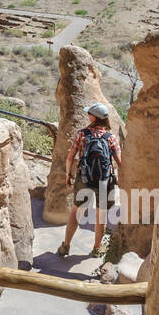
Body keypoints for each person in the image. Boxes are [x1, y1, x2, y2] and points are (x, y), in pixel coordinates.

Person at [56, 102, 123, 259]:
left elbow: (70, 157)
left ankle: (66, 245)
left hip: (83, 178)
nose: (88, 115)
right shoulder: (111, 138)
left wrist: (68, 175)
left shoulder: (81, 134)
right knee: (102, 215)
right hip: (104, 181)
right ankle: (97, 248)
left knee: (77, 211)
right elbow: (120, 163)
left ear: (94, 117)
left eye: (89, 113)